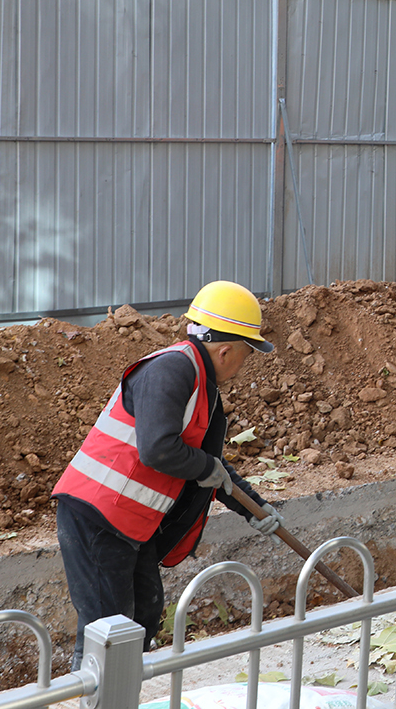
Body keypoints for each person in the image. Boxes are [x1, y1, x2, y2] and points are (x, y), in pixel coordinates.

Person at [53, 280, 284, 667]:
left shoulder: (201, 384)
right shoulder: (172, 369)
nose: (244, 365)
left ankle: (123, 693)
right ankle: (94, 694)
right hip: (97, 516)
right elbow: (159, 449)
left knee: (144, 612)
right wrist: (207, 467)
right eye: (246, 353)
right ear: (226, 350)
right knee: (108, 632)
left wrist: (256, 509)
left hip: (131, 523)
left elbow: (210, 467)